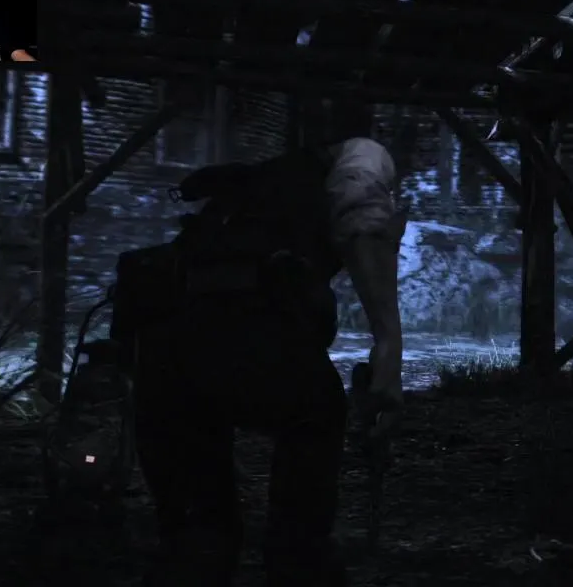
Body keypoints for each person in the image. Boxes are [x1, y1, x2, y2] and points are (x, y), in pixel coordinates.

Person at [129, 149, 347, 587]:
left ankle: (203, 547)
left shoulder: (220, 220)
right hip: (240, 352)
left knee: (197, 522)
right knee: (318, 415)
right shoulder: (298, 213)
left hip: (171, 363)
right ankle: (294, 554)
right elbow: (319, 321)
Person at [321, 107, 407, 435]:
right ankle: (383, 394)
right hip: (372, 225)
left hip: (345, 226)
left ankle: (379, 392)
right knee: (387, 323)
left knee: (380, 319)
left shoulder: (337, 154)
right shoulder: (378, 154)